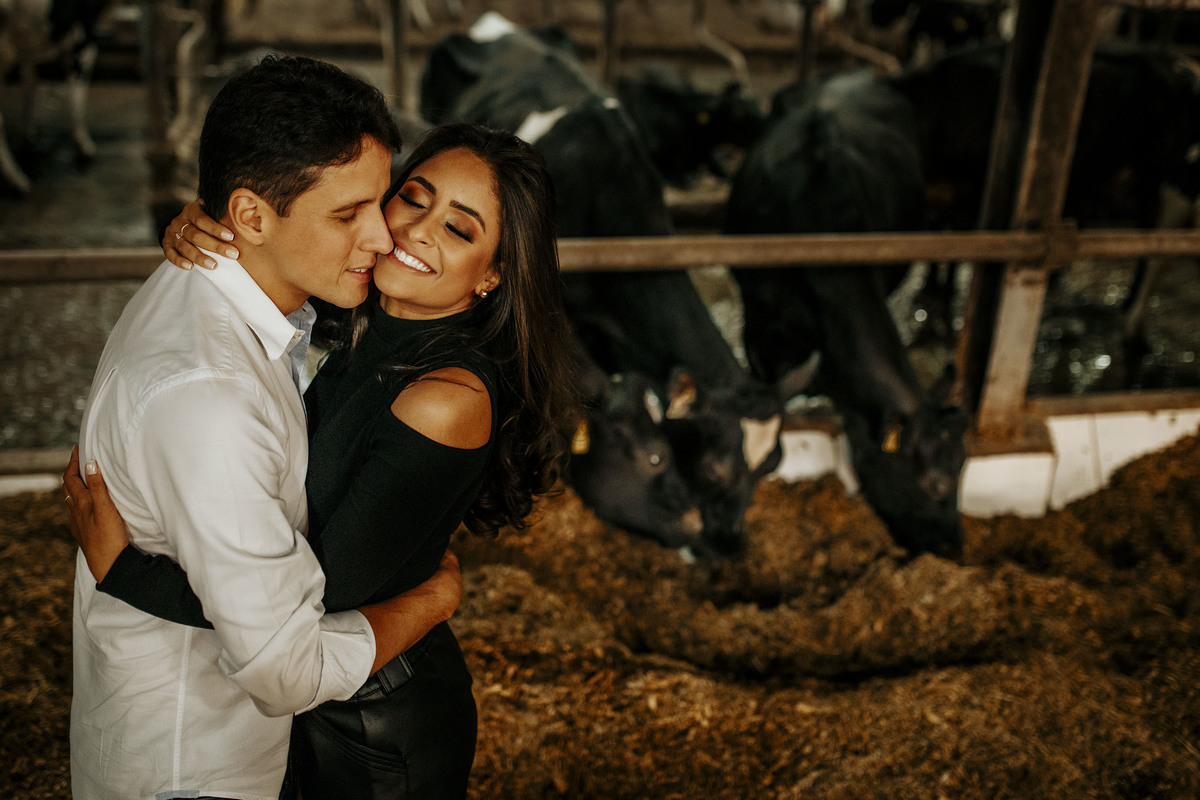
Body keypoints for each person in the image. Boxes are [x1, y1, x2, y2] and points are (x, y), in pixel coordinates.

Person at [64, 121, 580, 799]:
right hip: (311, 702)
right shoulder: (366, 315)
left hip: (375, 727)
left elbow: (309, 603)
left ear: (493, 275)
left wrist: (126, 572)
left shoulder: (444, 399)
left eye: (459, 229)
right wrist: (209, 227)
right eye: (413, 198)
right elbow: (282, 259)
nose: (418, 230)